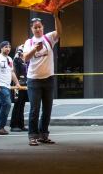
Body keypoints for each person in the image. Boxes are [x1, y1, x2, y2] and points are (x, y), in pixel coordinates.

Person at [23, 13, 61, 146]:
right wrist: (34, 49)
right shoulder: (29, 42)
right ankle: (33, 136)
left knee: (47, 109)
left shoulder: (49, 38)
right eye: (35, 28)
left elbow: (60, 32)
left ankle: (43, 135)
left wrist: (56, 17)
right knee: (35, 109)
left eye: (39, 27)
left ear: (43, 27)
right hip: (34, 80)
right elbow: (25, 58)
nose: (38, 29)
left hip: (48, 79)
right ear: (32, 29)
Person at [0, 40, 20, 135]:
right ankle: (0, 127)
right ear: (1, 48)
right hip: (0, 85)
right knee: (7, 104)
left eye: (9, 47)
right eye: (6, 47)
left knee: (1, 106)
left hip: (7, 86)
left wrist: (17, 83)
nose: (8, 49)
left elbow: (12, 73)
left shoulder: (10, 59)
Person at [10, 45, 28, 132]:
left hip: (24, 85)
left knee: (22, 105)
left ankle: (21, 125)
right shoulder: (16, 60)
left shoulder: (25, 60)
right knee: (17, 104)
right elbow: (13, 71)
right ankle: (14, 125)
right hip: (17, 85)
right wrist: (19, 51)